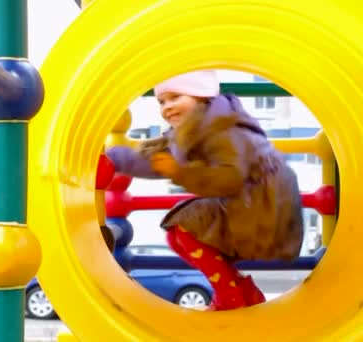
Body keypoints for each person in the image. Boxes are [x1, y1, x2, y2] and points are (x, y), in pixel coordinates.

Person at [106, 70, 304, 311]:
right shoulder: (192, 130)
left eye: (175, 97)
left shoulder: (224, 129)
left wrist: (180, 172)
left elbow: (229, 177)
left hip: (266, 214)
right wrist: (115, 159)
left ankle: (230, 298)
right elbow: (155, 161)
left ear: (201, 96)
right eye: (162, 101)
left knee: (187, 225)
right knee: (176, 234)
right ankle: (241, 290)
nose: (167, 107)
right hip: (249, 207)